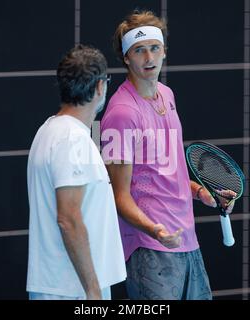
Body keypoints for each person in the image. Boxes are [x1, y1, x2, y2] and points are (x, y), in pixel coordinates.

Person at [100, 10, 236, 300]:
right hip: (149, 246)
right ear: (126, 57)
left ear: (164, 50)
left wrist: (201, 192)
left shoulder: (167, 95)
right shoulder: (122, 113)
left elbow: (167, 169)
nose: (149, 58)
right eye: (139, 50)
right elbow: (118, 195)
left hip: (186, 240)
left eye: (154, 48)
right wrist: (156, 231)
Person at [26, 45, 126, 300]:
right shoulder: (72, 139)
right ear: (100, 87)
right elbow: (68, 219)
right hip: (73, 291)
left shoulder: (51, 130)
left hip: (64, 287)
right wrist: (93, 291)